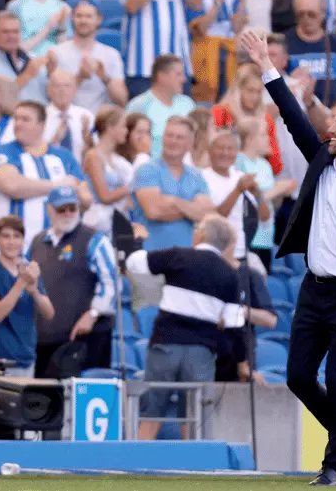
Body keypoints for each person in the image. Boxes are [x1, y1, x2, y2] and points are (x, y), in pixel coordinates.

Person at [240, 28, 336, 486]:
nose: (330, 128)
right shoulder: (321, 159)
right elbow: (291, 115)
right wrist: (268, 66)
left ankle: (335, 464)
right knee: (299, 377)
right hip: (314, 289)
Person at [126, 214, 242, 440]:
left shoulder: (178, 256)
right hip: (201, 351)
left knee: (152, 412)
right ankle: (195, 471)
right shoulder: (230, 275)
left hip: (165, 344)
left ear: (200, 235)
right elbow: (234, 324)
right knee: (194, 416)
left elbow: (134, 263)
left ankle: (136, 468)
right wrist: (241, 362)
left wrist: (138, 240)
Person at [29, 185, 118, 378]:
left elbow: (111, 281)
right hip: (45, 339)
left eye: (73, 208)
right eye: (62, 209)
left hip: (85, 339)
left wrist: (93, 314)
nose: (68, 213)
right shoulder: (38, 241)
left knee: (80, 401)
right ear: (49, 210)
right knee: (45, 402)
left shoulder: (95, 239)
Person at [0, 101, 91, 243]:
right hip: (13, 247)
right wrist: (60, 185)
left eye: (25, 119)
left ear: (41, 125)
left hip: (56, 248)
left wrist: (75, 193)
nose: (18, 123)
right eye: (16, 119)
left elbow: (86, 199)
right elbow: (12, 186)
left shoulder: (63, 156)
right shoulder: (3, 151)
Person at [129, 115, 214, 253]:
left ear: (190, 142)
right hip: (151, 258)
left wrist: (175, 202)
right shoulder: (147, 170)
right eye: (169, 135)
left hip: (184, 259)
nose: (173, 141)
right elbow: (153, 211)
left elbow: (206, 214)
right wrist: (190, 208)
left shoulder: (196, 175)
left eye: (179, 137)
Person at [0, 216, 54, 378]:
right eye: (6, 236)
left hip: (26, 360)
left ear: (23, 240)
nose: (11, 242)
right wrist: (21, 283)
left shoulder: (30, 270)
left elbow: (49, 313)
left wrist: (34, 292)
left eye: (16, 236)